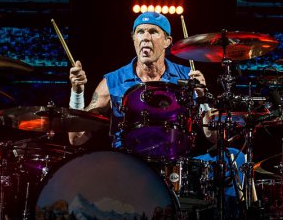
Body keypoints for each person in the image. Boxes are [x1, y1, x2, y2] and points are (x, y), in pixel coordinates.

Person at [67, 11, 211, 148]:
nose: (145, 37)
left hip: (175, 159)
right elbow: (76, 138)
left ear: (167, 41)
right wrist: (77, 92)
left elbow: (213, 136)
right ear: (134, 38)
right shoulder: (113, 81)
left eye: (153, 32)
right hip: (128, 162)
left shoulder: (187, 77)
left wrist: (203, 98)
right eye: (140, 32)